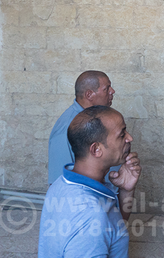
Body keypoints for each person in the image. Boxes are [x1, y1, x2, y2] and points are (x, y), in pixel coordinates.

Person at [39, 106, 141, 257]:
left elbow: (111, 230)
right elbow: (97, 221)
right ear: (96, 150)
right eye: (122, 134)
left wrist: (126, 190)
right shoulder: (89, 213)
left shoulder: (63, 182)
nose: (129, 138)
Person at [48, 70, 116, 184]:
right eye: (107, 88)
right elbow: (60, 181)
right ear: (89, 95)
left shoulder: (100, 117)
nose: (112, 91)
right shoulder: (65, 130)